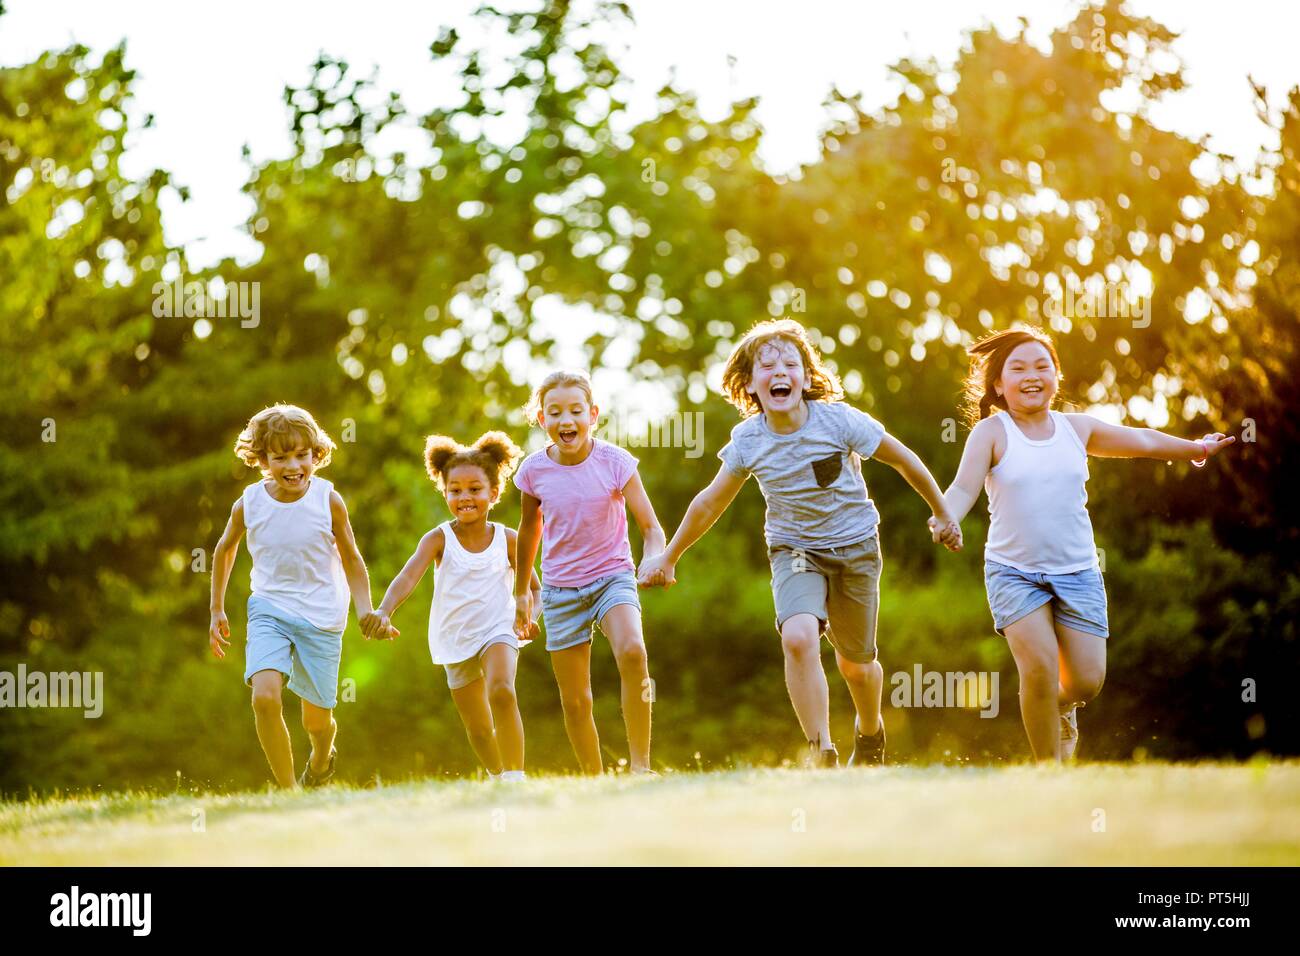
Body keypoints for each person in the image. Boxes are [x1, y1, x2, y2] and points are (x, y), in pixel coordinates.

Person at [638, 319, 961, 767]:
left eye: (791, 363)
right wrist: (668, 557)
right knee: (798, 637)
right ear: (750, 384)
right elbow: (710, 503)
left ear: (807, 379)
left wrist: (943, 512)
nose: (779, 371)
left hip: (855, 547)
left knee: (856, 665)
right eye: (766, 365)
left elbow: (904, 459)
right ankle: (821, 749)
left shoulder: (840, 420)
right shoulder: (749, 440)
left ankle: (870, 733)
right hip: (794, 551)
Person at [935, 327, 1234, 761]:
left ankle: (1056, 706)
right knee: (1037, 668)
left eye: (1042, 365)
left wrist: (1195, 448)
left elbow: (1144, 440)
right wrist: (947, 518)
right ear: (999, 385)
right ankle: (1048, 774)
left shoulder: (1076, 429)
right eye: (1017, 368)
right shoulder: (992, 433)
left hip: (1077, 571)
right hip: (1012, 571)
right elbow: (962, 489)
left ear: (1057, 375)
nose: (1032, 375)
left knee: (1085, 682)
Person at [209, 404, 379, 788]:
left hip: (322, 617)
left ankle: (321, 760)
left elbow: (351, 557)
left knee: (316, 722)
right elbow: (224, 549)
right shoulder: (249, 503)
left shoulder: (327, 500)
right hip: (269, 608)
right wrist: (217, 608)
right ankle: (288, 792)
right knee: (264, 699)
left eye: (302, 455)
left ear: (316, 455)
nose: (293, 466)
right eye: (280, 456)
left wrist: (365, 608)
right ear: (262, 459)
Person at [364, 432, 540, 781]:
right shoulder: (438, 538)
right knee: (477, 729)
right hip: (454, 637)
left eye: (474, 489)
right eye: (455, 490)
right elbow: (407, 577)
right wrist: (384, 610)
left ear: (494, 492)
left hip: (499, 628)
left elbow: (535, 587)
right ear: (444, 492)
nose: (464, 497)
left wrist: (530, 618)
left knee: (503, 691)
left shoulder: (508, 539)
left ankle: (516, 778)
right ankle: (496, 773)